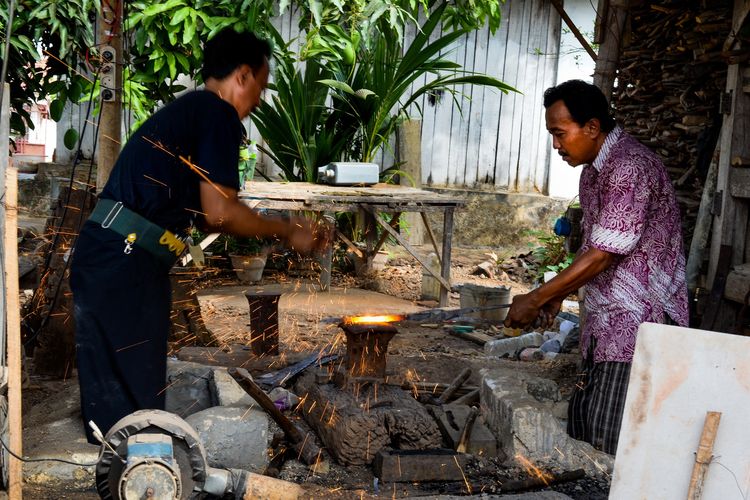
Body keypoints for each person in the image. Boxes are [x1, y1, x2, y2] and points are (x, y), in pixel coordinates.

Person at [71, 29, 326, 444]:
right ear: (242, 76)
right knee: (129, 409)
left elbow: (209, 219)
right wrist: (285, 229)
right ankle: (141, 476)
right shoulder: (216, 114)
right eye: (259, 87)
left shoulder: (193, 112)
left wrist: (275, 226)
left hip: (115, 256)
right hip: (122, 260)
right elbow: (221, 213)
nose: (258, 101)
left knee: (118, 402)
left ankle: (130, 470)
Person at [504, 80, 688, 455]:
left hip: (638, 327)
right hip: (605, 323)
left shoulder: (629, 168)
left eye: (560, 133)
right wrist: (559, 295)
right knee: (584, 430)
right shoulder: (593, 172)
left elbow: (605, 254)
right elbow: (594, 246)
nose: (556, 145)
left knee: (609, 446)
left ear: (591, 126)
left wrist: (537, 297)